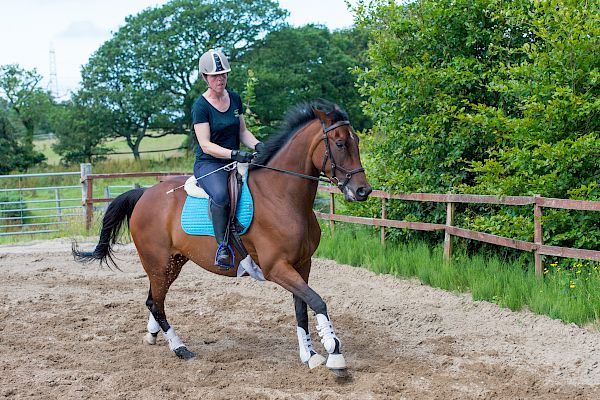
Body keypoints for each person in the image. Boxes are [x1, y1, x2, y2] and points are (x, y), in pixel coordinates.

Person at [192, 49, 264, 267]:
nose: (220, 78)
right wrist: (234, 153)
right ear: (205, 77)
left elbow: (242, 132)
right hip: (210, 164)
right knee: (222, 195)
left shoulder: (234, 98)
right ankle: (222, 247)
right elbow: (205, 144)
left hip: (235, 160)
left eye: (223, 74)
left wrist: (259, 145)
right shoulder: (200, 107)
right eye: (215, 75)